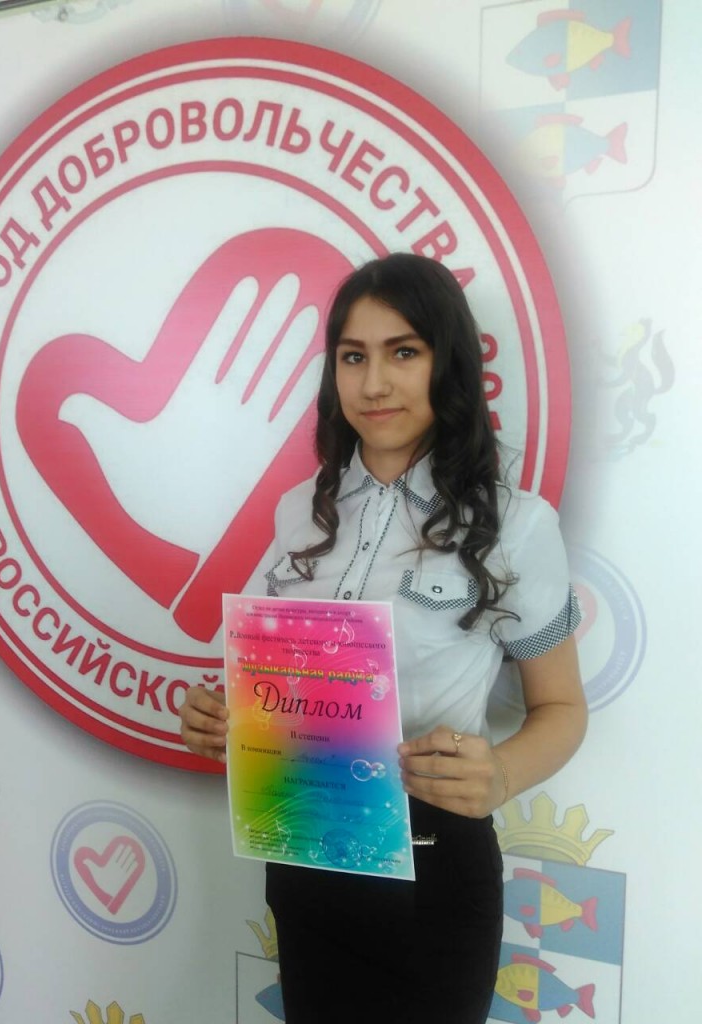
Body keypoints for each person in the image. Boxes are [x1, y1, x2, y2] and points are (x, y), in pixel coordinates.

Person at [179, 252, 588, 1024]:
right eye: (353, 356)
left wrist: (501, 774)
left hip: (433, 872)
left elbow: (562, 709)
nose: (373, 383)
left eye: (403, 352)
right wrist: (219, 715)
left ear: (447, 362)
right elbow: (266, 685)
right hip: (304, 858)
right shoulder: (299, 512)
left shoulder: (516, 524)